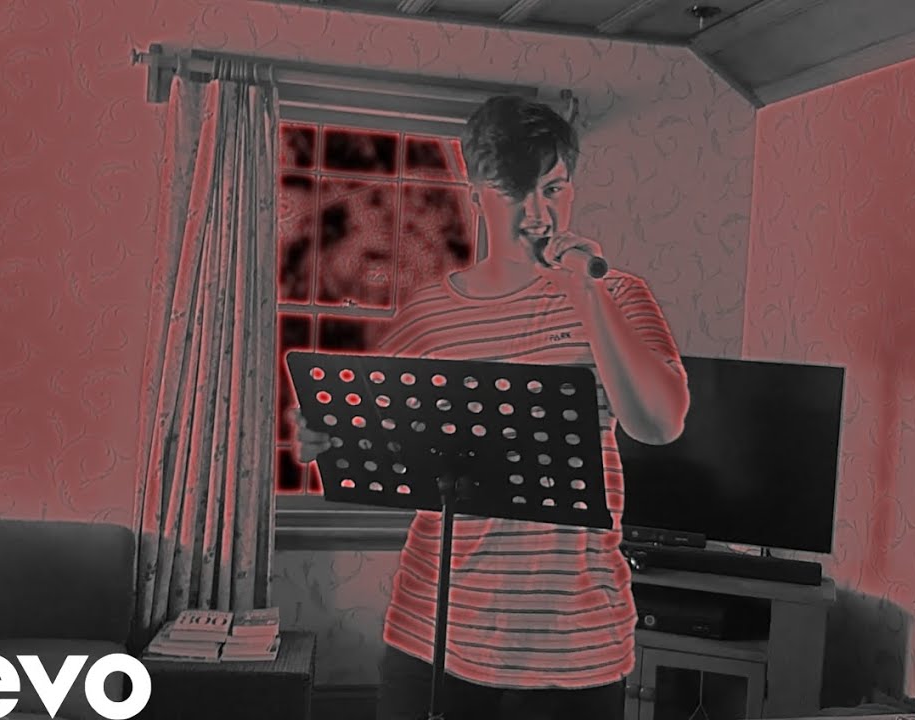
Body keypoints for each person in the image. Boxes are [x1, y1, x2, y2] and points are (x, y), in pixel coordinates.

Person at [290, 95, 691, 720]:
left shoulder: (618, 293)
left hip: (577, 645)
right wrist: (319, 438)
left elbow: (660, 424)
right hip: (433, 631)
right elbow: (363, 438)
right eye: (514, 193)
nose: (539, 215)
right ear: (477, 193)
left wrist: (586, 295)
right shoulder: (429, 313)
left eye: (553, 189)